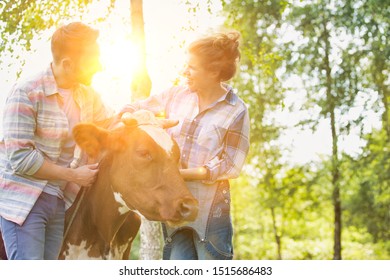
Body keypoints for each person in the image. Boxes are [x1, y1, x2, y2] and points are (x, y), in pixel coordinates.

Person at [121, 31, 250, 260]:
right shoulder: (175, 95)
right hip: (174, 202)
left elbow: (231, 164)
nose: (184, 72)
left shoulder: (236, 110)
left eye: (192, 67)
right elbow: (130, 109)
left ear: (213, 72)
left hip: (211, 207)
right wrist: (142, 119)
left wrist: (182, 174)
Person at [0, 22, 114, 260]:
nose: (99, 67)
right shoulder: (26, 92)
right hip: (25, 202)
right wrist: (74, 175)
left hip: (59, 200)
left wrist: (143, 118)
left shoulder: (88, 96)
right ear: (67, 64)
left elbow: (110, 125)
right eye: (92, 61)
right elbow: (20, 159)